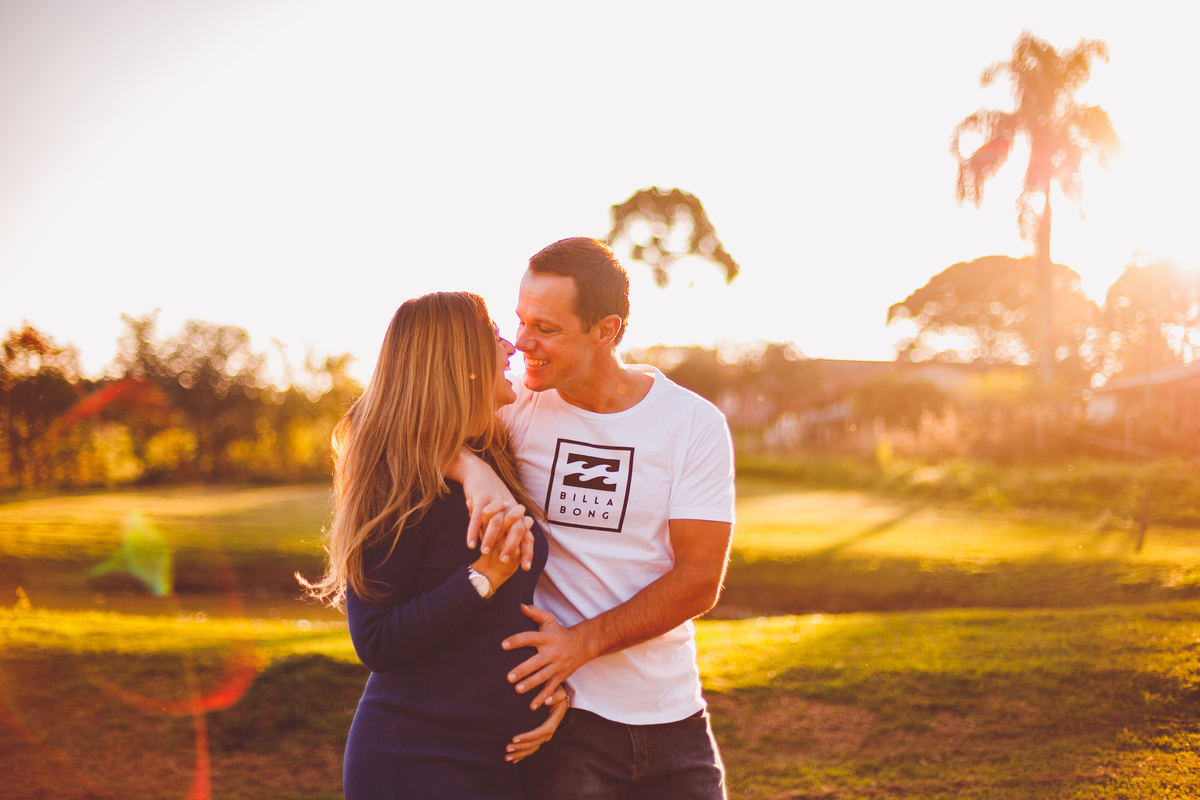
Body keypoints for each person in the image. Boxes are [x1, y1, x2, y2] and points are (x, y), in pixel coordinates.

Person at [454, 238, 736, 799]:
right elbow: (385, 427)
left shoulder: (691, 424)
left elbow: (700, 578)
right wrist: (470, 467)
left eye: (547, 328)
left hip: (673, 716)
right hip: (560, 722)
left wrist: (582, 642)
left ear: (607, 331)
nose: (521, 342)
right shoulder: (512, 407)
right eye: (521, 320)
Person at [301, 291, 568, 800]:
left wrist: (548, 690)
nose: (511, 346)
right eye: (494, 336)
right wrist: (483, 577)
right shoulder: (398, 484)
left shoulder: (490, 453)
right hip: (416, 761)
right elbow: (377, 641)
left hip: (498, 762)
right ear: (460, 358)